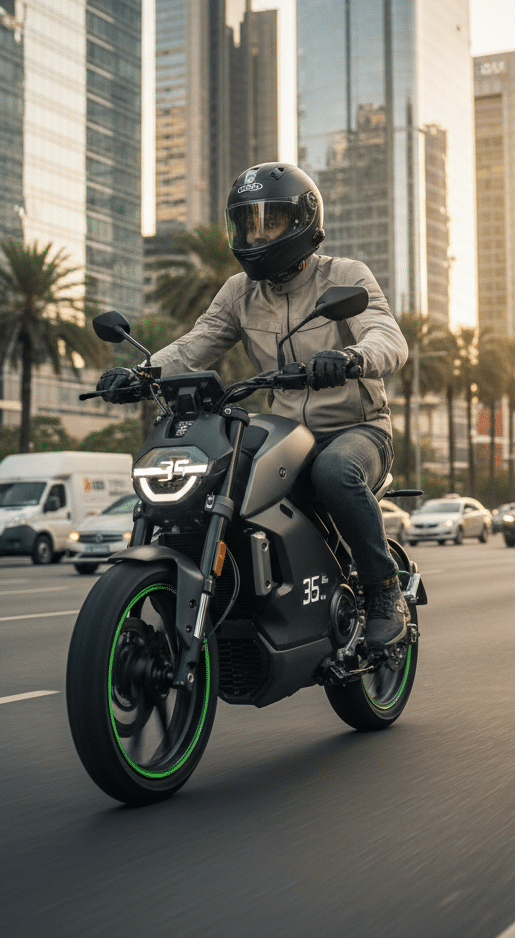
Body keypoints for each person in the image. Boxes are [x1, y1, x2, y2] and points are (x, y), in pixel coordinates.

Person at [97, 163, 410, 648]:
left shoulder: (345, 275)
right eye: (249, 223)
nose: (258, 233)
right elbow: (194, 345)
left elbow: (387, 336)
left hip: (357, 428)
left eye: (272, 221)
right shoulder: (239, 293)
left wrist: (352, 358)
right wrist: (142, 374)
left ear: (303, 221)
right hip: (286, 434)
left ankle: (382, 587)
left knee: (334, 473)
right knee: (218, 477)